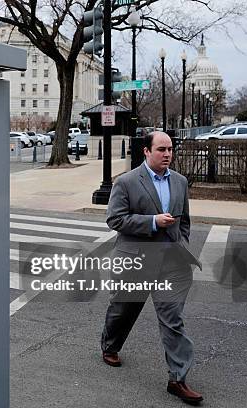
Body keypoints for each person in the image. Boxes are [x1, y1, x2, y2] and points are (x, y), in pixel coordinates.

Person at [100, 132, 203, 404]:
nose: (167, 154)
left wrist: (182, 246)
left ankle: (177, 379)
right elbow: (115, 220)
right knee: (124, 309)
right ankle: (110, 345)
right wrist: (153, 222)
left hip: (171, 263)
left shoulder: (180, 182)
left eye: (170, 149)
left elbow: (184, 222)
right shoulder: (127, 182)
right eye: (161, 149)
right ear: (146, 151)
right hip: (135, 260)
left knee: (172, 319)